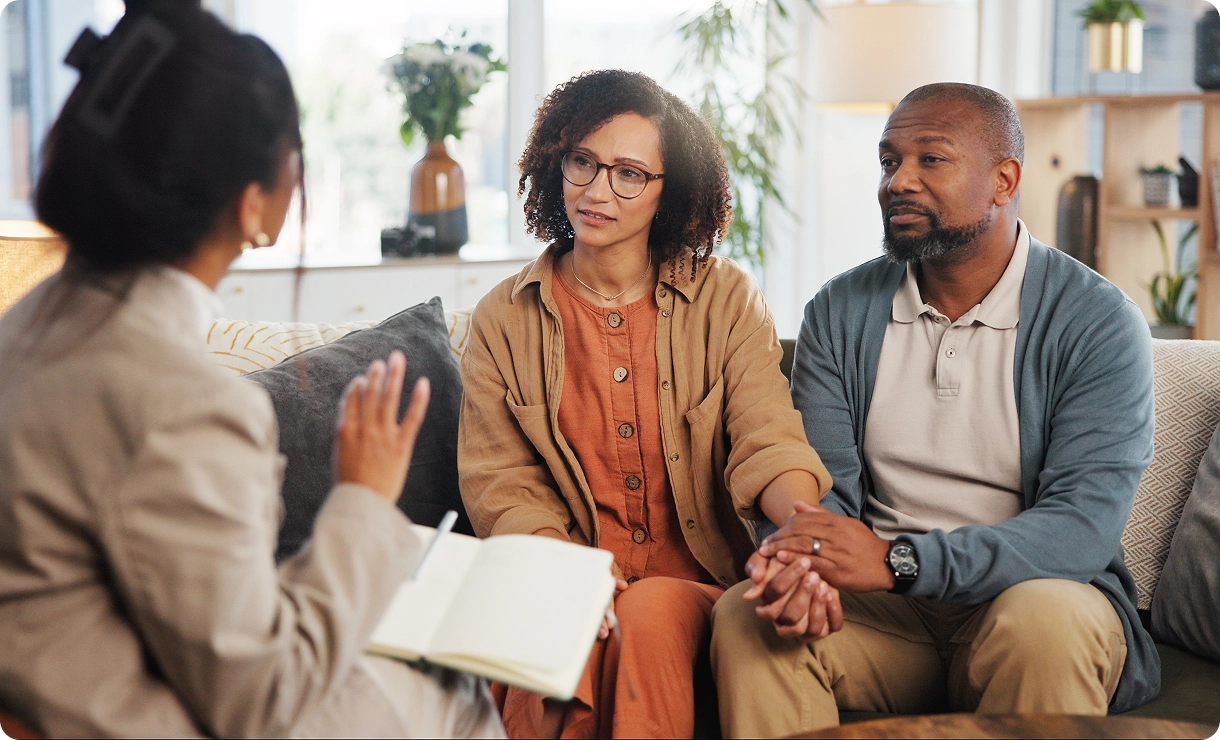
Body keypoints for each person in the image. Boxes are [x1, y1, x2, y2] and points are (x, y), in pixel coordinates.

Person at [0, 2, 502, 737]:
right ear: (253, 205)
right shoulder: (184, 401)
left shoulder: (29, 323)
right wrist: (364, 498)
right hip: (141, 714)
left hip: (71, 688)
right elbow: (264, 698)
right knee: (454, 698)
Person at [710, 82, 1158, 736]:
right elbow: (824, 489)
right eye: (890, 162)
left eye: (931, 160)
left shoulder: (1096, 321)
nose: (899, 181)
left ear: (1004, 180)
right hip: (881, 617)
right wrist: (805, 564)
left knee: (1043, 623)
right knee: (748, 617)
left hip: (1027, 599)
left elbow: (1080, 529)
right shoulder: (839, 311)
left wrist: (901, 562)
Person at [458, 69, 834, 738]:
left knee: (652, 608)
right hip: (563, 565)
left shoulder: (726, 298)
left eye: (629, 173)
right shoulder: (502, 318)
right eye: (583, 163)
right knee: (551, 625)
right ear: (556, 162)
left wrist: (802, 534)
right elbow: (500, 485)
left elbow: (767, 439)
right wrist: (569, 574)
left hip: (696, 582)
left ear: (671, 191)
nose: (597, 191)